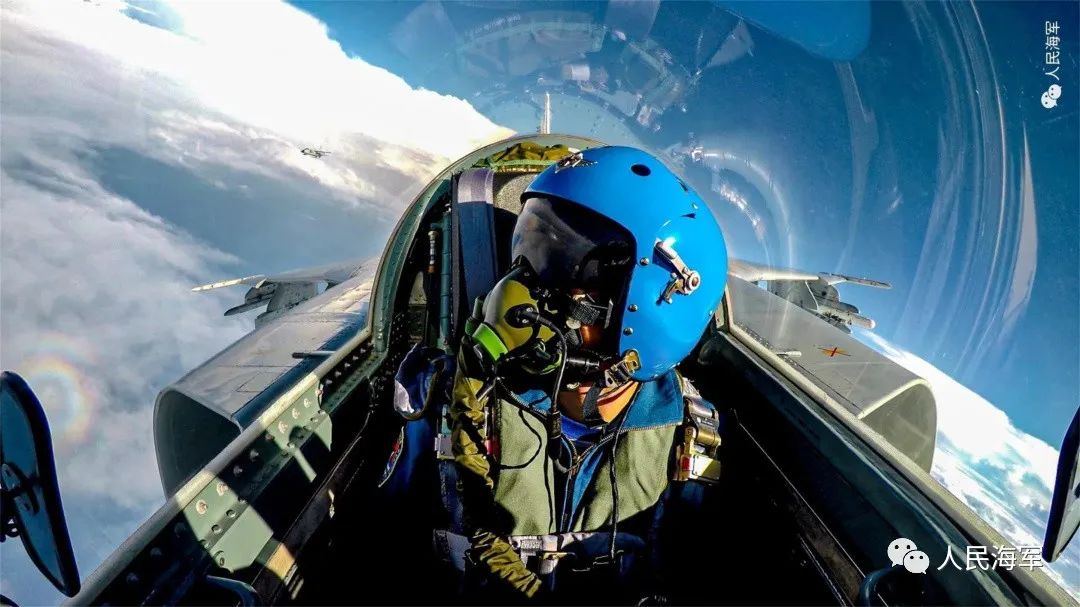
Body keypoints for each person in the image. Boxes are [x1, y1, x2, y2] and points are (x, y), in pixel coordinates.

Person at [448, 146, 728, 603]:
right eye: (530, 257)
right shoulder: (458, 404)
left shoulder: (691, 442)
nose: (522, 291)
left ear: (648, 311)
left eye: (564, 269)